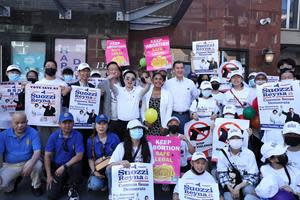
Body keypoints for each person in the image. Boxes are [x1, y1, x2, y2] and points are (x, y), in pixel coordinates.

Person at [106, 119, 154, 200]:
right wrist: (120, 162)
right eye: (134, 129)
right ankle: (113, 193)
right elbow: (109, 167)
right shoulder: (121, 146)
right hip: (126, 181)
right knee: (109, 170)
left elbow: (152, 165)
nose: (138, 131)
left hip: (141, 181)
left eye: (140, 128)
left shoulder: (148, 145)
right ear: (128, 131)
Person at [0, 112, 43, 196]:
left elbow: (37, 151)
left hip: (28, 162)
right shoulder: (3, 135)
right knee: (2, 184)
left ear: (27, 122)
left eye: (23, 122)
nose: (20, 125)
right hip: (11, 165)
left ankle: (36, 186)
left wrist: (31, 163)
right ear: (12, 123)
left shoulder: (33, 133)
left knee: (38, 165)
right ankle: (13, 183)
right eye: (17, 123)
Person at [44, 112, 84, 200]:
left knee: (77, 166)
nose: (67, 125)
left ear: (73, 123)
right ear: (59, 124)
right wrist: (49, 175)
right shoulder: (54, 136)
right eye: (64, 123)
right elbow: (47, 155)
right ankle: (64, 183)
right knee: (51, 196)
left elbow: (79, 156)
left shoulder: (78, 135)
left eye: (70, 122)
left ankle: (73, 187)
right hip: (57, 168)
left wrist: (64, 166)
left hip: (70, 166)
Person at [35, 59, 69, 149]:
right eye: (48, 66)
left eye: (52, 66)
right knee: (43, 143)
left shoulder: (62, 83)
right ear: (44, 68)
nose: (50, 68)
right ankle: (44, 162)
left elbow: (66, 102)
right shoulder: (38, 84)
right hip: (41, 119)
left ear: (56, 69)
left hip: (57, 119)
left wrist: (68, 90)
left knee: (58, 143)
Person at [217, 128, 259, 200]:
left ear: (242, 140)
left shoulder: (249, 153)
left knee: (248, 190)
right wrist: (232, 190)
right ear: (228, 141)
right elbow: (222, 174)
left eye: (238, 138)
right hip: (230, 184)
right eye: (232, 138)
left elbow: (254, 176)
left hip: (245, 183)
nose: (235, 140)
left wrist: (238, 187)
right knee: (228, 197)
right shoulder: (222, 153)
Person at [109, 70, 151, 141]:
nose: (130, 81)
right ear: (123, 79)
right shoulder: (119, 90)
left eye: (133, 79)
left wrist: (149, 83)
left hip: (134, 123)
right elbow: (111, 86)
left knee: (134, 143)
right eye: (127, 78)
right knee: (122, 144)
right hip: (121, 123)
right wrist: (110, 78)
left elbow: (146, 89)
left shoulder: (138, 90)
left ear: (135, 81)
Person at [86, 114, 120, 191]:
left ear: (107, 125)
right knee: (95, 185)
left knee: (109, 170)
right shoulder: (90, 140)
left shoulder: (114, 137)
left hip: (112, 167)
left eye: (104, 123)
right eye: (99, 123)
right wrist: (94, 171)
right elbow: (90, 158)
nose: (101, 126)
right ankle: (103, 182)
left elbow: (119, 156)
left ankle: (111, 190)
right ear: (95, 125)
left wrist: (105, 159)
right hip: (99, 168)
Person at [165, 61, 199, 134]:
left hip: (186, 116)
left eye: (181, 68)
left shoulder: (190, 83)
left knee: (185, 138)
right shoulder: (168, 84)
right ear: (173, 70)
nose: (180, 70)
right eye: (177, 68)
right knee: (173, 140)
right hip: (172, 115)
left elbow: (195, 98)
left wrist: (192, 111)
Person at [99, 62, 123, 133]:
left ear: (119, 72)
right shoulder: (101, 84)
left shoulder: (124, 84)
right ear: (107, 72)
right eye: (111, 69)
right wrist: (99, 94)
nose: (113, 71)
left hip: (121, 118)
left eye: (116, 69)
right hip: (108, 119)